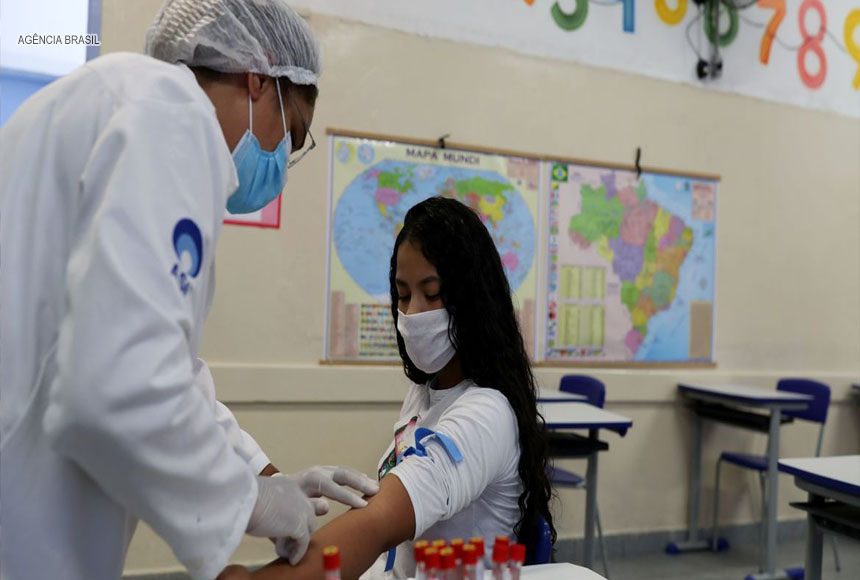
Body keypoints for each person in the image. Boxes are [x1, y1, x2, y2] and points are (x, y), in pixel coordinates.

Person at [0, 2, 378, 580]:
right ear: (258, 80)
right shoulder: (173, 118)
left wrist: (265, 477)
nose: (280, 160)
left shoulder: (109, 101)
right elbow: (121, 385)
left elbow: (166, 369)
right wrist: (247, 501)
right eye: (291, 132)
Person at [219, 197, 557, 580]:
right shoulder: (425, 392)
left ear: (473, 298)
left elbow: (380, 521)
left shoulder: (485, 414)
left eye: (432, 293)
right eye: (403, 294)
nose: (412, 313)